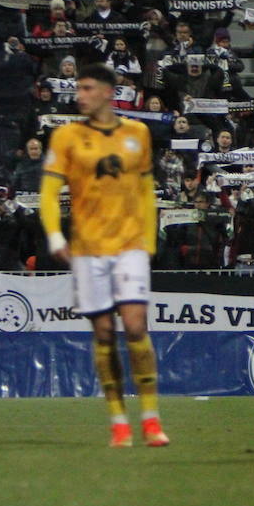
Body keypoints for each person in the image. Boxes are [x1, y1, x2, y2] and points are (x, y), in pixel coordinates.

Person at [38, 63, 168, 448]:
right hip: (88, 249)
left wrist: (148, 241)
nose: (80, 95)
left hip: (130, 245)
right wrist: (54, 236)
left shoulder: (137, 133)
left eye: (87, 88)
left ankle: (150, 419)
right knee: (105, 333)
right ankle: (118, 421)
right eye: (78, 89)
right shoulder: (66, 136)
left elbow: (145, 190)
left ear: (109, 92)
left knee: (135, 326)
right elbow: (49, 192)